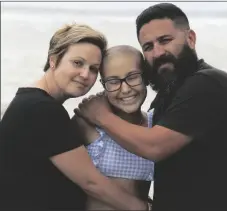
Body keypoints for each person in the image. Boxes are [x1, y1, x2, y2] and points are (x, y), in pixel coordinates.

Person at [75, 3, 227, 211]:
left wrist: (100, 114)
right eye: (148, 47)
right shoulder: (167, 97)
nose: (157, 53)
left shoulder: (208, 83)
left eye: (165, 40)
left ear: (190, 39)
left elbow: (154, 147)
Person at [0, 23, 148, 210]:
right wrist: (143, 208)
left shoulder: (32, 102)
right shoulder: (41, 109)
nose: (85, 74)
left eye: (94, 68)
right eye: (77, 63)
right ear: (53, 60)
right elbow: (91, 183)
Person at [72, 45, 154, 210]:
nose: (125, 89)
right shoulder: (87, 123)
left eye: (132, 77)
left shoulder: (156, 124)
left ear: (146, 77)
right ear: (103, 84)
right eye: (113, 81)